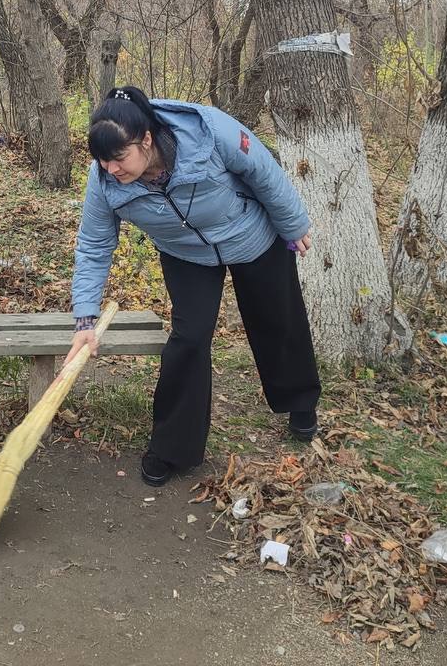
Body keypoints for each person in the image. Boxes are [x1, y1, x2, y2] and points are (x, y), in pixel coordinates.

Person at [65, 86, 321, 487]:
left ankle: (300, 403)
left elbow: (263, 171)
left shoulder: (208, 131)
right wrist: (85, 320)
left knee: (277, 318)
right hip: (186, 253)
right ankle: (172, 448)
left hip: (251, 233)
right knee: (189, 337)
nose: (111, 169)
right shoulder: (104, 182)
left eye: (119, 158)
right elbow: (95, 245)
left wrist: (293, 224)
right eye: (102, 161)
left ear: (146, 139)